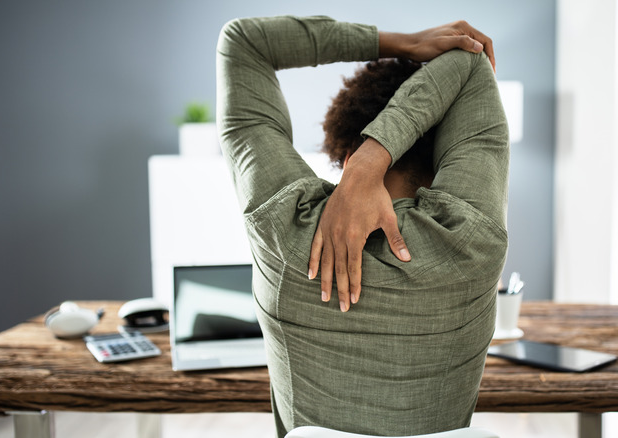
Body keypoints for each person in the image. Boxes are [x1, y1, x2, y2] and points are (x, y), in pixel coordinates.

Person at [216, 15, 509, 437]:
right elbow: (470, 59)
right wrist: (379, 152)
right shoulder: (468, 237)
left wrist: (403, 43)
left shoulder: (281, 223)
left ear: (344, 157)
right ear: (446, 154)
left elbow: (244, 41)